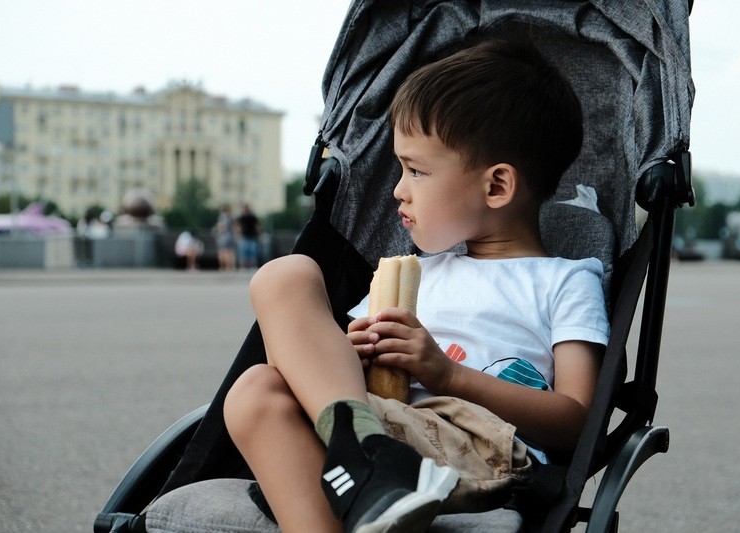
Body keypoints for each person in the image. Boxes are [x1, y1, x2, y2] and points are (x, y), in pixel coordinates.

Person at [223, 39, 609, 533]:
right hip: (377, 417)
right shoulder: (415, 272)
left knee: (268, 386)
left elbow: (577, 421)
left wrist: (448, 376)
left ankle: (364, 463)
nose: (397, 190)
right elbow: (302, 363)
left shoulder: (564, 281)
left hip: (474, 442)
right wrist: (350, 353)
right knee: (279, 300)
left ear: (496, 186)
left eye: (417, 170)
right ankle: (366, 462)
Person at [236, 203, 261, 269]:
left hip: (252, 237)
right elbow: (238, 227)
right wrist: (238, 234)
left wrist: (258, 234)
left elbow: (257, 226)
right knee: (244, 253)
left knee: (252, 253)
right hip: (244, 237)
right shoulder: (242, 217)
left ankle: (252, 266)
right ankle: (244, 266)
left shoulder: (253, 217)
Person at [215, 204, 237, 271]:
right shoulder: (231, 217)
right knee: (230, 252)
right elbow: (235, 228)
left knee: (222, 252)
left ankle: (223, 267)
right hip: (230, 236)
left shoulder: (221, 217)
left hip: (223, 236)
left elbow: (220, 227)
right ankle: (230, 267)